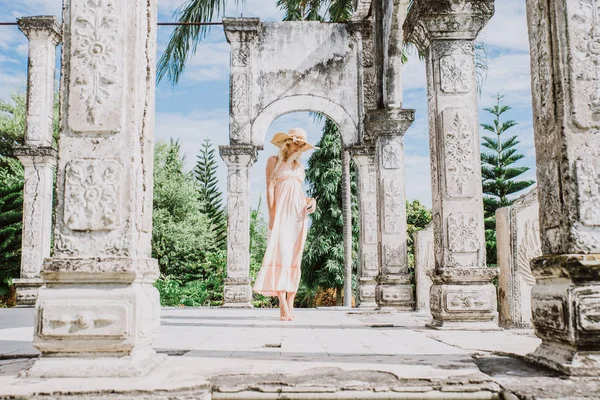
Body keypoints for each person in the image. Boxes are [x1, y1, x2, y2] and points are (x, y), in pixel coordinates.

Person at [253, 127, 317, 321]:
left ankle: (290, 302)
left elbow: (297, 193)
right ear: (288, 142)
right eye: (297, 142)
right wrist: (272, 215)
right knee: (281, 254)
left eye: (302, 145)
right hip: (281, 215)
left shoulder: (299, 166)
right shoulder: (273, 161)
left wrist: (311, 200)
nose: (299, 147)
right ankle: (281, 303)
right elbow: (270, 188)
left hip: (298, 216)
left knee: (294, 258)